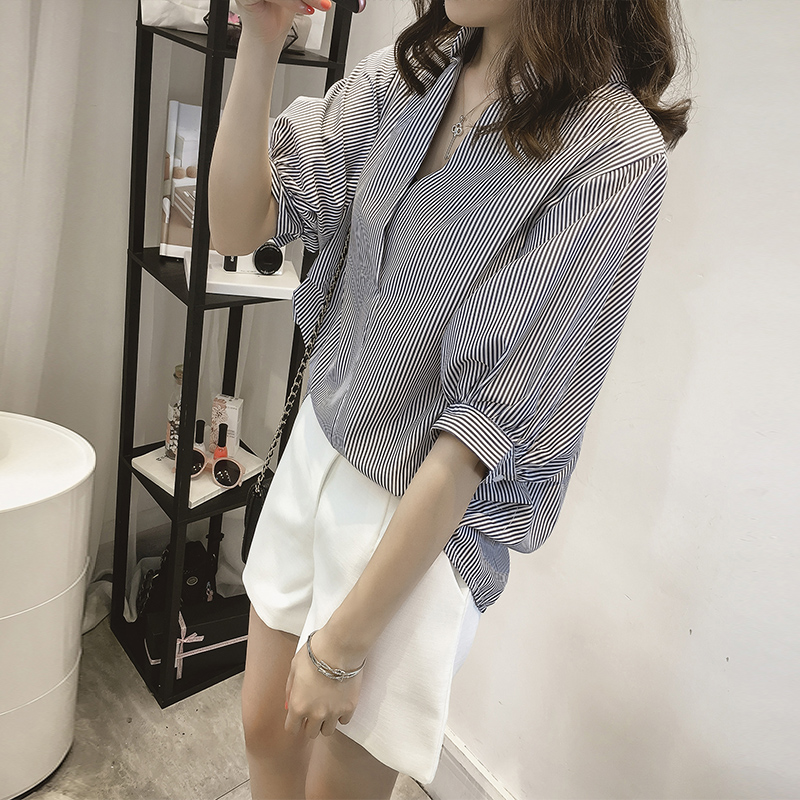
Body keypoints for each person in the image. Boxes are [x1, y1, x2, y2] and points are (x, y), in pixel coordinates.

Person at [209, 0, 691, 797]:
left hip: (425, 520)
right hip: (321, 446)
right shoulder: (418, 69)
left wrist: (343, 646)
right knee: (264, 727)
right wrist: (260, 40)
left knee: (336, 786)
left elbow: (481, 433)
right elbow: (236, 226)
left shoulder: (613, 154)